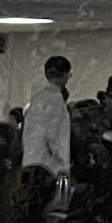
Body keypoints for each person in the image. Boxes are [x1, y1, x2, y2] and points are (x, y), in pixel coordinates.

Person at [23, 55, 72, 183]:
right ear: (65, 74)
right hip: (49, 167)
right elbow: (52, 137)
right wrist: (61, 161)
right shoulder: (55, 100)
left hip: (32, 161)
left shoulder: (38, 98)